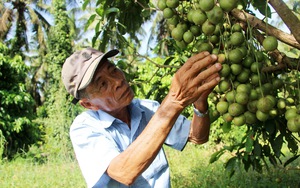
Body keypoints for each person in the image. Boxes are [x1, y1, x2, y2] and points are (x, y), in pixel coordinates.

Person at [61, 47, 222, 188]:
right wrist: (174, 101)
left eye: (114, 70)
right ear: (89, 105)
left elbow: (197, 136)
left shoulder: (147, 109)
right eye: (103, 84)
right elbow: (124, 172)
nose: (118, 81)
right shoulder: (84, 128)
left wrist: (200, 103)